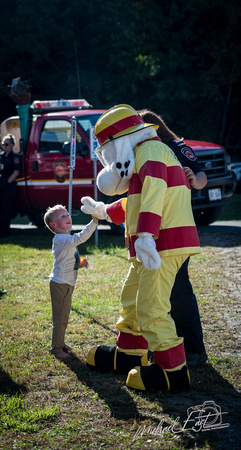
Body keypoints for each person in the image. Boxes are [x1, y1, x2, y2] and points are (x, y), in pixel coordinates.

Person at [81, 104, 201, 393]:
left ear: (119, 140)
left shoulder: (150, 151)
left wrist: (146, 234)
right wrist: (105, 211)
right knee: (132, 299)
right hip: (150, 244)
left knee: (151, 306)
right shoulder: (144, 153)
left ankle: (173, 371)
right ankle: (130, 354)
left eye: (109, 151)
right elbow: (135, 200)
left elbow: (155, 191)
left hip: (161, 243)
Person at [138, 109, 208, 368]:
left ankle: (193, 349)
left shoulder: (175, 146)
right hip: (156, 226)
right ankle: (167, 344)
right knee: (157, 292)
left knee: (178, 289)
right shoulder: (144, 149)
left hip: (177, 224)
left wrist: (194, 179)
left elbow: (201, 176)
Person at [44, 204, 98, 360]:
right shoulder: (61, 238)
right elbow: (80, 237)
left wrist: (79, 263)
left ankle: (61, 343)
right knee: (60, 317)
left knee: (64, 315)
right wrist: (93, 222)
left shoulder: (66, 239)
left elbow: (68, 260)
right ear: (53, 225)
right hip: (60, 284)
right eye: (62, 216)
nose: (68, 217)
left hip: (67, 283)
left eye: (68, 214)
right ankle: (56, 349)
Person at [0, 134, 20, 238]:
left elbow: (16, 172)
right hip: (1, 183)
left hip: (8, 186)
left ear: (12, 145)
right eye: (3, 144)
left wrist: (6, 182)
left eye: (7, 144)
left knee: (6, 209)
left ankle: (5, 232)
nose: (5, 146)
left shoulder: (15, 157)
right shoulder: (1, 156)